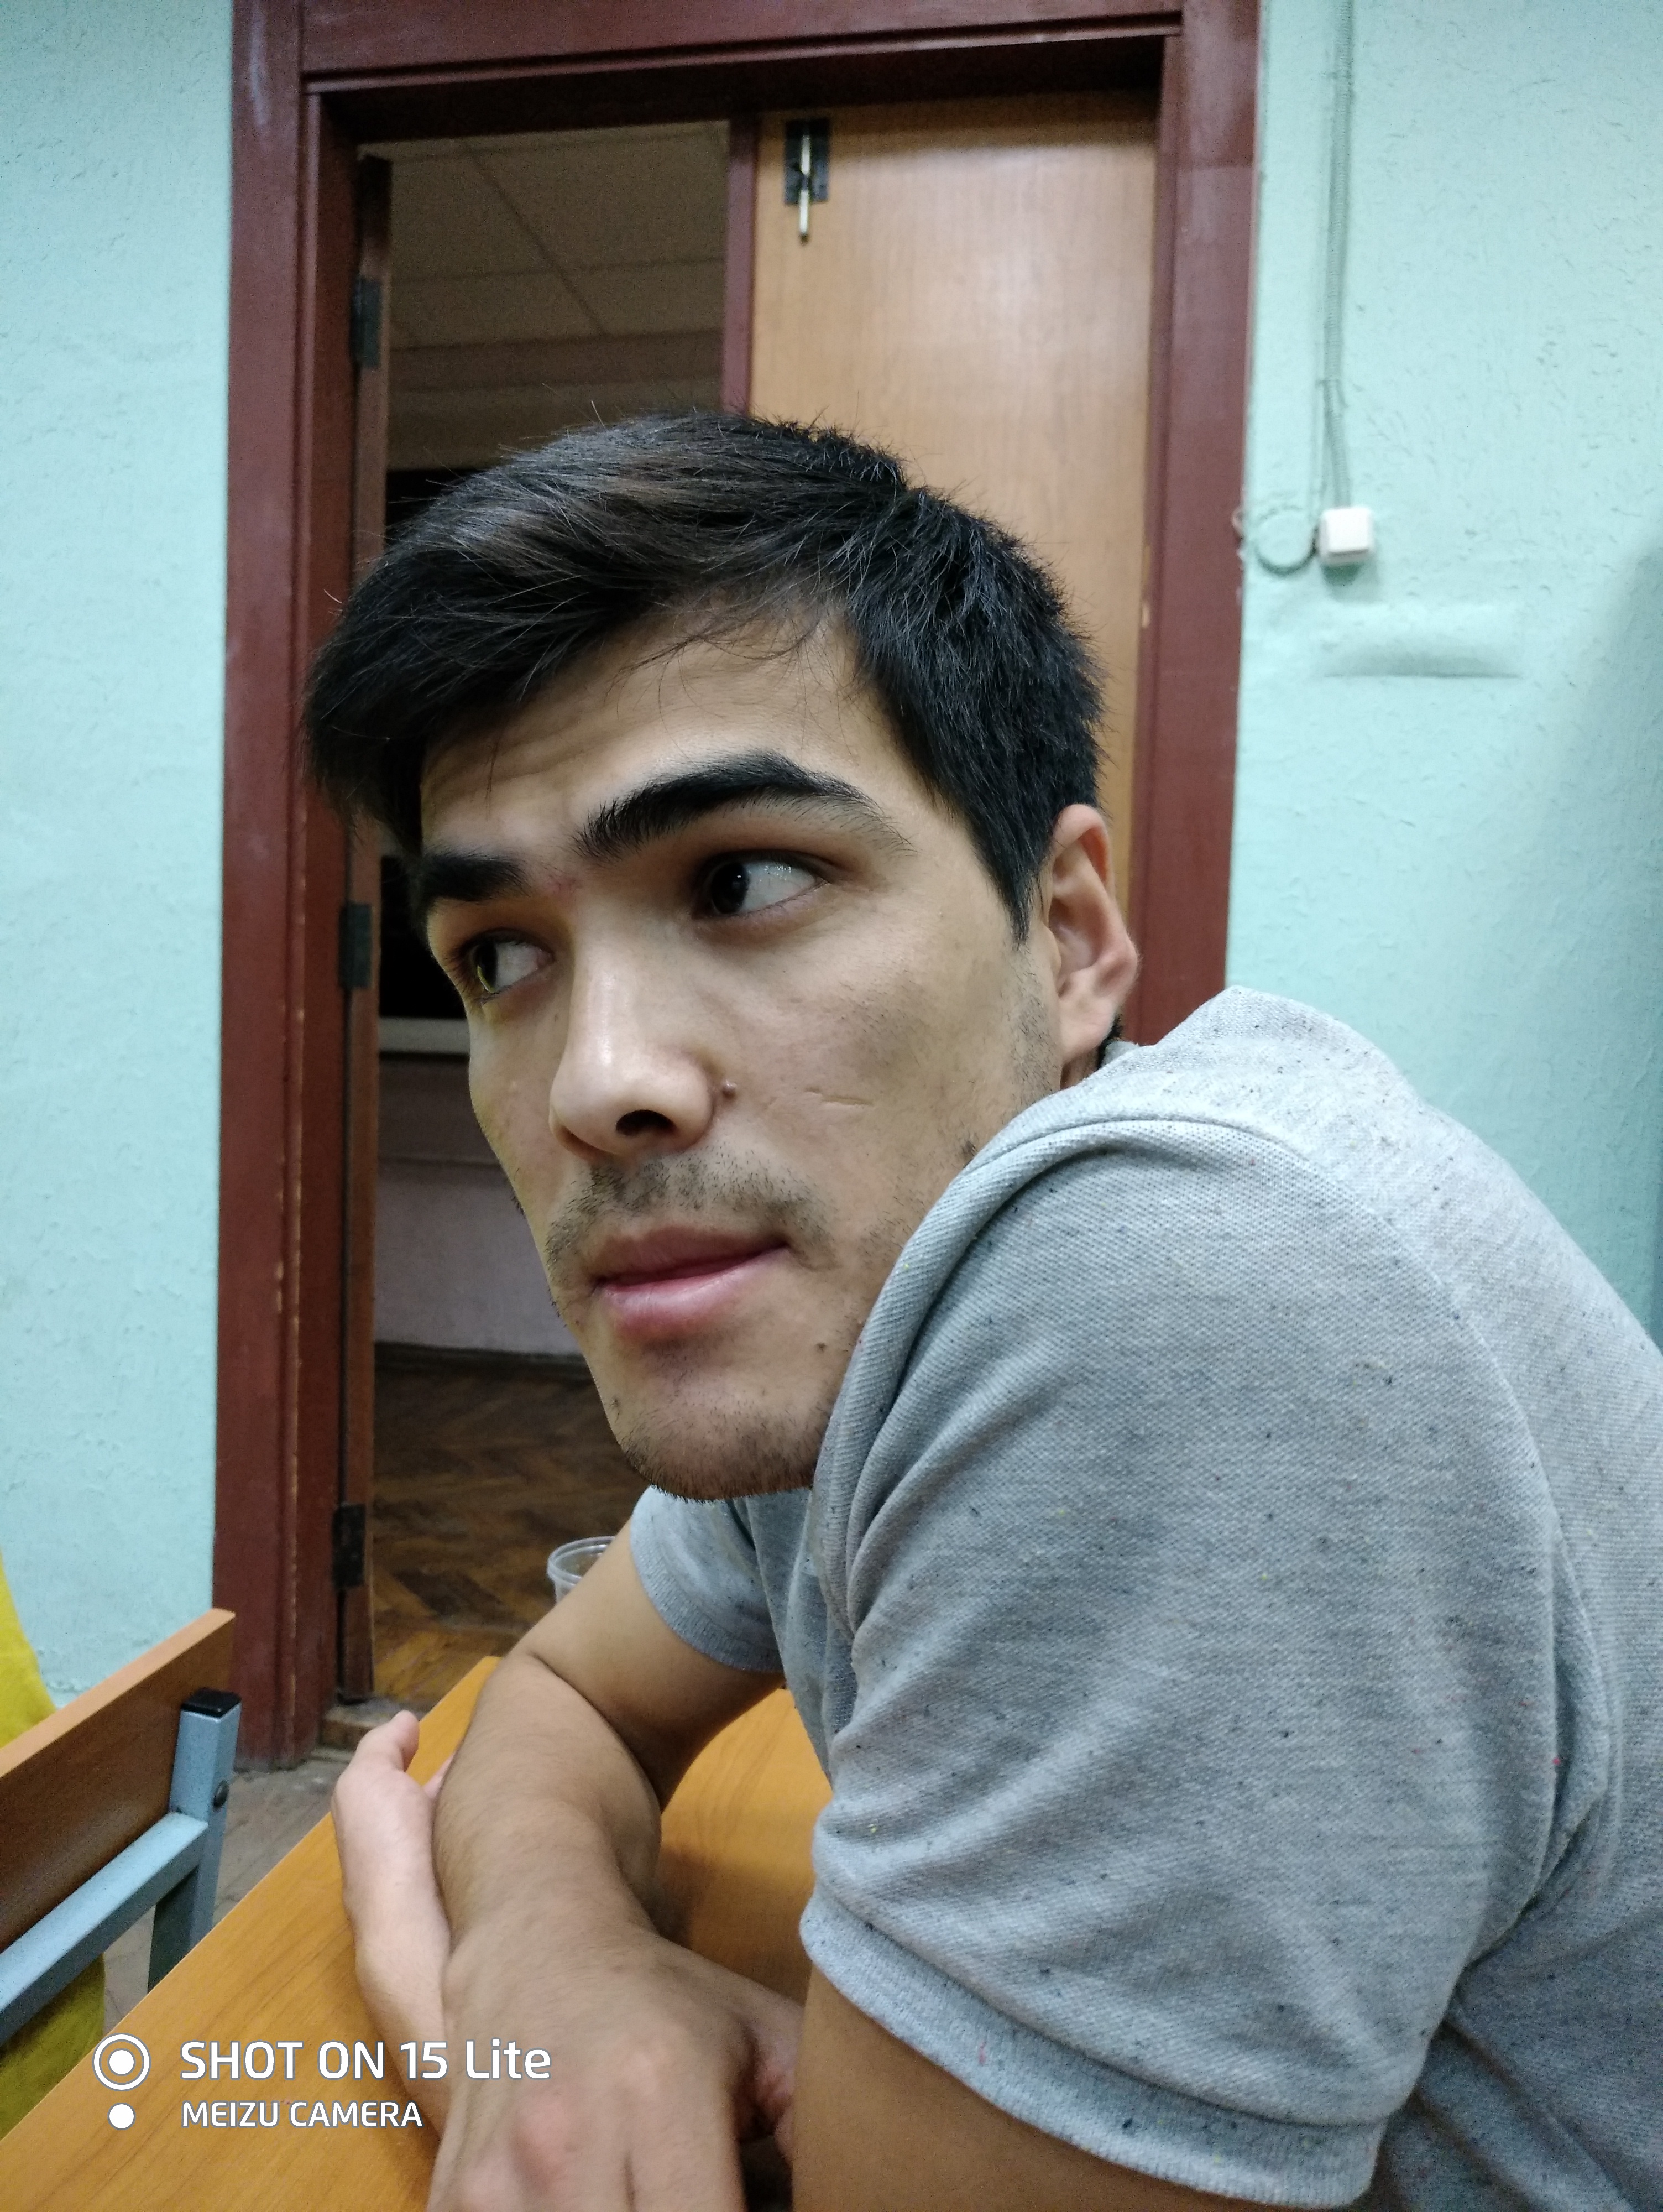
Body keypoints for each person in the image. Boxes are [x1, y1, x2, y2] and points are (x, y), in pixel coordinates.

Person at [312, 415, 1662, 2212]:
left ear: (1071, 937)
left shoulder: (1170, 1285)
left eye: (743, 881)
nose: (595, 1081)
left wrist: (430, 1983)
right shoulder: (845, 1312)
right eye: (500, 958)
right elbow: (568, 1694)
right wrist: (559, 1971)